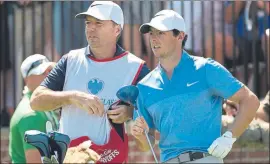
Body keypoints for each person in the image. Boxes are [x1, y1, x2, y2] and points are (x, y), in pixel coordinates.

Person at [131, 10, 260, 163]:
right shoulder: (144, 87)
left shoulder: (206, 69)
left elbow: (250, 100)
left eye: (160, 33)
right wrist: (140, 136)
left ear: (180, 36)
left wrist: (229, 137)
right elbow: (146, 145)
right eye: (151, 33)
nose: (154, 39)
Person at [30, 1, 150, 163]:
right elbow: (36, 101)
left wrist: (130, 113)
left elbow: (150, 133)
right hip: (70, 158)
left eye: (98, 23)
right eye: (88, 23)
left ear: (117, 30)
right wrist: (72, 97)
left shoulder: (137, 68)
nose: (91, 28)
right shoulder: (69, 60)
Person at [9, 54, 59, 163]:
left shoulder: (43, 106)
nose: (48, 75)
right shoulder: (31, 114)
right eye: (41, 72)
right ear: (27, 79)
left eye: (49, 71)